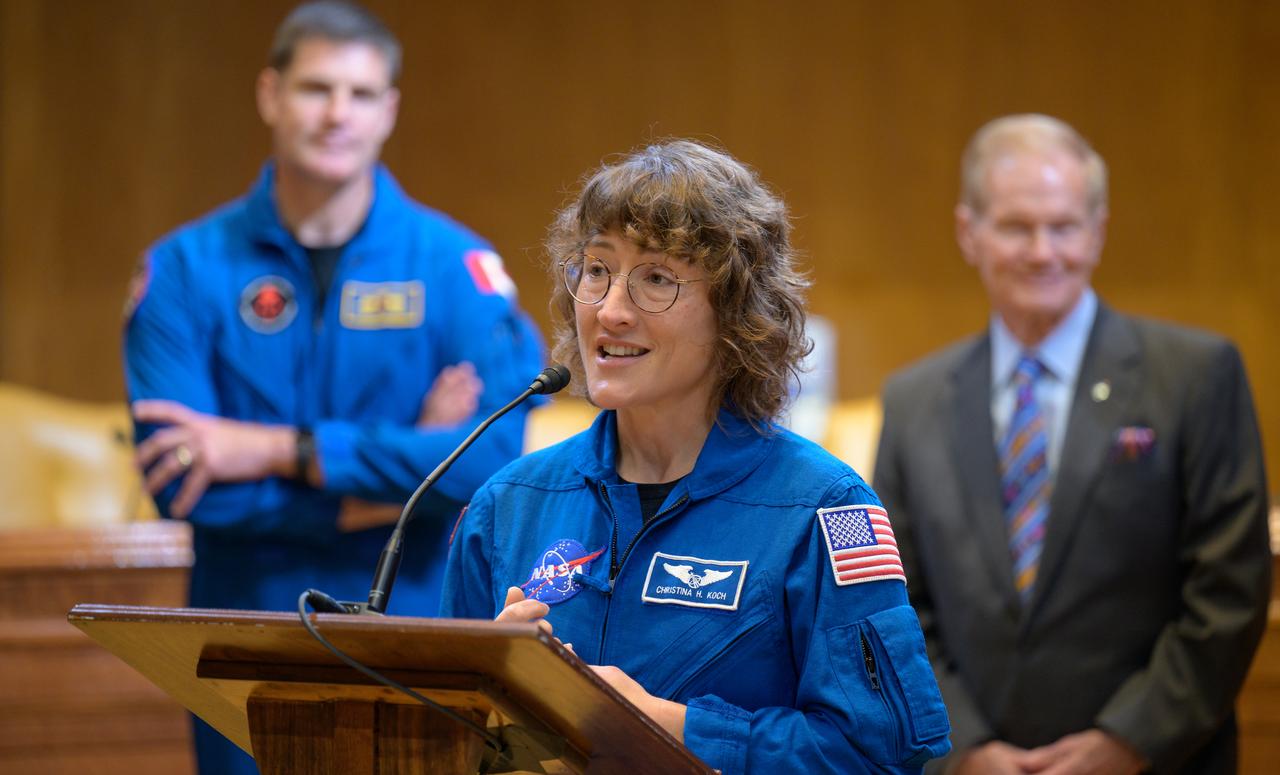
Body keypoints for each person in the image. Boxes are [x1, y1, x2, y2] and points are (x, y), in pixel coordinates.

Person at [122, 2, 544, 773]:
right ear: (270, 95)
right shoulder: (182, 270)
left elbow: (491, 463)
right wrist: (403, 485)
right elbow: (181, 484)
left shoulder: (455, 268)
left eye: (360, 93)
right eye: (316, 88)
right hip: (241, 638)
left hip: (415, 637)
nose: (336, 113)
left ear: (390, 111)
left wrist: (274, 449)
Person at [442, 139, 952, 774]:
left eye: (655, 278)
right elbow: (445, 740)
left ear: (737, 313)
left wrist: (668, 727)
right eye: (596, 270)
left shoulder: (824, 508)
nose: (610, 310)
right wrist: (501, 694)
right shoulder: (510, 506)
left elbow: (877, 757)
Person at [873, 114, 1271, 774]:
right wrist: (963, 749)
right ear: (968, 233)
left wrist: (1128, 741)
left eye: (1063, 226)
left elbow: (1230, 589)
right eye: (1015, 226)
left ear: (1099, 231)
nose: (1042, 252)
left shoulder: (1196, 377)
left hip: (1158, 761)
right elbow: (893, 600)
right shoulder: (913, 400)